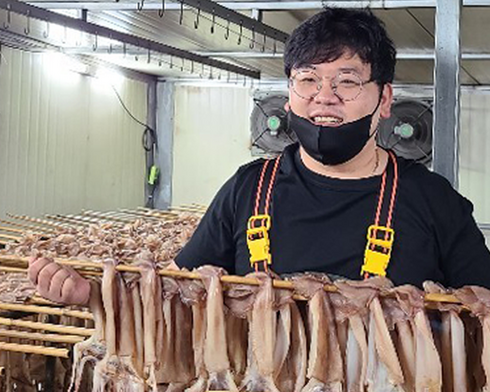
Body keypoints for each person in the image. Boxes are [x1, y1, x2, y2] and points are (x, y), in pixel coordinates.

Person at [29, 7, 490, 305]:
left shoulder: (432, 200)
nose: (324, 97)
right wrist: (94, 295)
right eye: (308, 80)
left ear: (385, 99)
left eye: (347, 81)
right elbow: (172, 293)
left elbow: (482, 307)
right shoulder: (249, 190)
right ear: (289, 96)